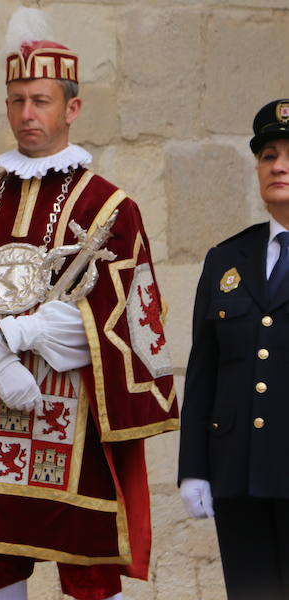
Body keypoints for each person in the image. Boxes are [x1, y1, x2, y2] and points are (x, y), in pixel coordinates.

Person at [0, 8, 178, 600]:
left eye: (41, 100)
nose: (27, 113)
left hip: (73, 419)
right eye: (17, 99)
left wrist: (14, 336)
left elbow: (118, 319)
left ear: (71, 108)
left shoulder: (110, 208)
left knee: (88, 569)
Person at [178, 99, 289, 600]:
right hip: (238, 475)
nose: (279, 166)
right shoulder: (227, 258)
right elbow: (204, 371)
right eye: (268, 155)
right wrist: (194, 469)